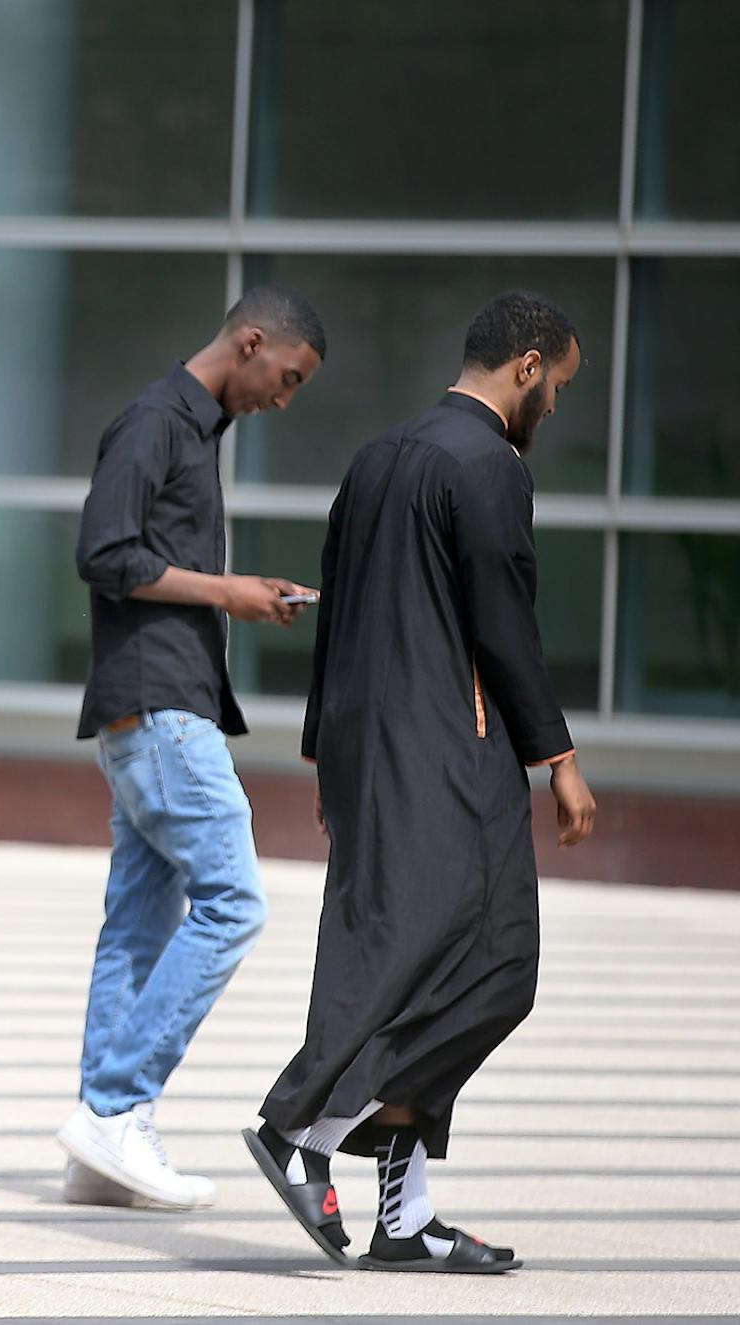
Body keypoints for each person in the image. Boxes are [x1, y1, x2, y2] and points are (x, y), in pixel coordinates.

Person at [244, 291, 596, 1274]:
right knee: (491, 963)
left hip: (371, 746)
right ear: (526, 366)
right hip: (448, 746)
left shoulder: (377, 456)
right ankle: (300, 1126)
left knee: (413, 959)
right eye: (558, 386)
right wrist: (557, 758)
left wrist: (326, 747)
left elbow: (340, 609)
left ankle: (405, 1213)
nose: (555, 407)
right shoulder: (487, 464)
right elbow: (504, 622)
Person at [57, 286, 327, 1211]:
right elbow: (103, 553)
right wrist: (228, 592)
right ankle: (116, 1106)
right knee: (235, 904)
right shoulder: (155, 421)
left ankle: (101, 1142)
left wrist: (240, 591)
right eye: (284, 377)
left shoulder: (193, 430)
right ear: (250, 342)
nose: (281, 399)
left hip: (156, 711)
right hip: (162, 713)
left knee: (136, 926)